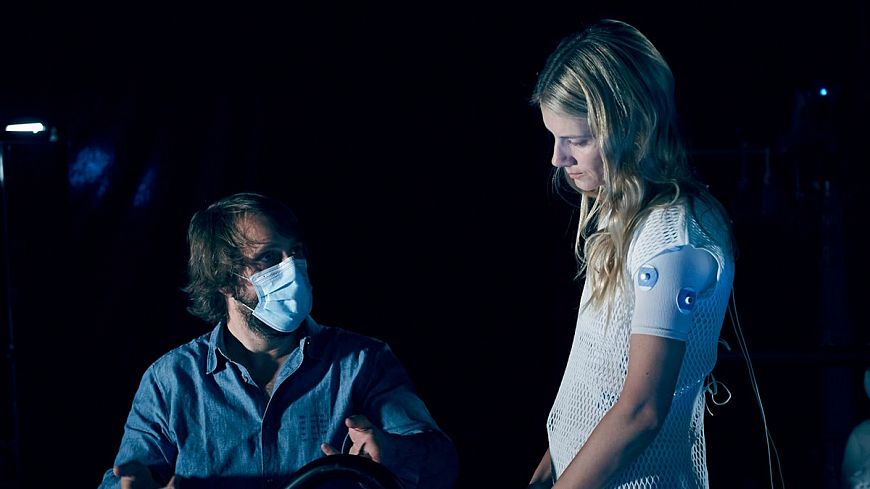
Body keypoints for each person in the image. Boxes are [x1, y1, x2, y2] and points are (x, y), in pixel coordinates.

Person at [98, 192, 459, 489]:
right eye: (269, 258)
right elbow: (125, 479)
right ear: (224, 280)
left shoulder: (363, 361)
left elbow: (443, 467)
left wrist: (394, 452)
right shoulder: (170, 380)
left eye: (295, 252)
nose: (292, 269)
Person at [526, 19, 736, 488]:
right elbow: (593, 382)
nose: (558, 158)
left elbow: (641, 410)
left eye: (577, 140)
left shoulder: (671, 236)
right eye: (554, 138)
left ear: (631, 128)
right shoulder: (625, 217)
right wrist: (548, 471)